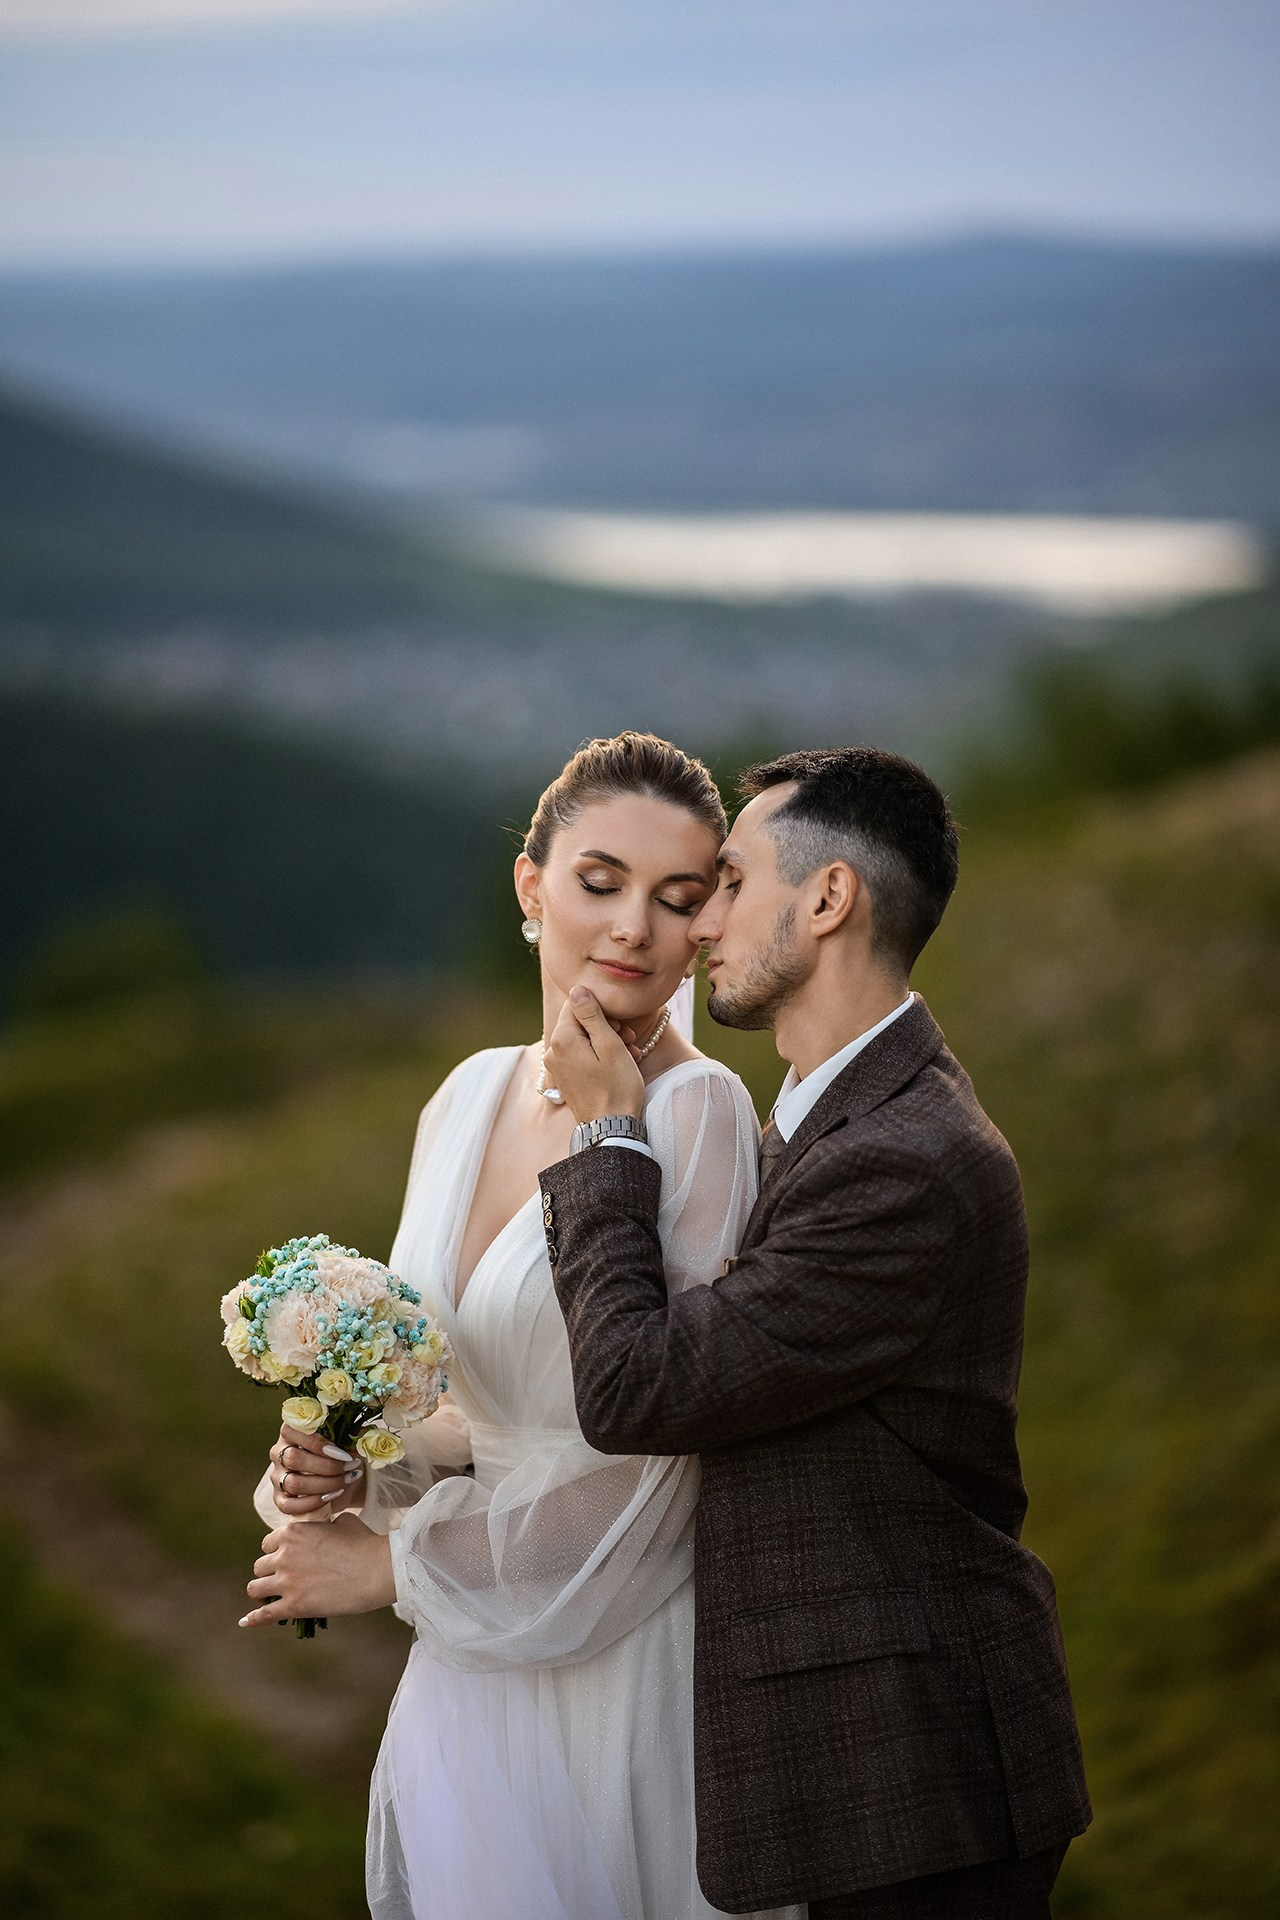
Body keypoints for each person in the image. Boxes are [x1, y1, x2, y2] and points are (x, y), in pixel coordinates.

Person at [240, 732, 800, 1920]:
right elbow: (466, 1410)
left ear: (702, 928)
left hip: (614, 1663)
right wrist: (359, 1459)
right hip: (473, 1665)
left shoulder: (696, 1113)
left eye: (675, 899)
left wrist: (389, 1565)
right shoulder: (463, 1096)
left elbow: (663, 1464)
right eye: (600, 882)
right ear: (530, 887)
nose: (632, 928)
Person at [540, 746, 1092, 1920]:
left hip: (907, 1772)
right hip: (860, 1765)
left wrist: (604, 1140)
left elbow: (638, 1388)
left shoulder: (904, 1162)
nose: (698, 927)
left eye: (730, 885)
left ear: (828, 898)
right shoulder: (830, 1118)